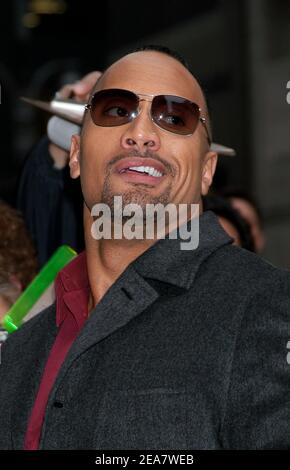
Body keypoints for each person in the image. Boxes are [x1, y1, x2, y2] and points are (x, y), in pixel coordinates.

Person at [1, 45, 290, 450]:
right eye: (116, 111)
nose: (141, 134)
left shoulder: (268, 304)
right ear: (77, 155)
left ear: (207, 171)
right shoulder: (19, 351)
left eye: (175, 117)